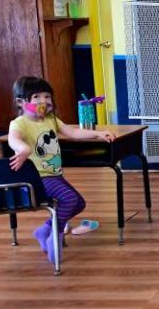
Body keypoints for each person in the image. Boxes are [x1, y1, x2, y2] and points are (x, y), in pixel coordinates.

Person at [7, 76, 114, 263]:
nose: (44, 101)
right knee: (70, 199)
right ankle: (54, 234)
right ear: (21, 102)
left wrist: (97, 133)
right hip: (38, 178)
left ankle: (45, 229)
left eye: (47, 96)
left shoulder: (50, 119)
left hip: (54, 175)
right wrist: (22, 149)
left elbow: (72, 132)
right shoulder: (19, 123)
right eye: (36, 97)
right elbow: (13, 139)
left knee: (79, 203)